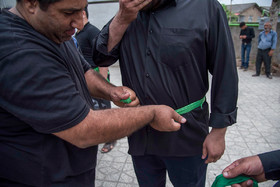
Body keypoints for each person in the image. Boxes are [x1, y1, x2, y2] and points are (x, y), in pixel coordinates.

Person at [0, 0, 186, 186]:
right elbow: (83, 129)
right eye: (68, 13)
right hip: (40, 178)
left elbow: (82, 70)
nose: (80, 24)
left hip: (68, 172)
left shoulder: (49, 30)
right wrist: (150, 114)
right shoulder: (20, 52)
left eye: (82, 11)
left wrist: (111, 91)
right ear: (31, 3)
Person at [93, 0, 238, 186]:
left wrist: (219, 132)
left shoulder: (206, 7)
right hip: (140, 133)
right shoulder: (128, 11)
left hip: (187, 134)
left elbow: (225, 70)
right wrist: (122, 19)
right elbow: (101, 57)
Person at [75, 6, 116, 153]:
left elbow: (102, 56)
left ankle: (111, 138)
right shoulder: (79, 33)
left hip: (98, 76)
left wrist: (103, 84)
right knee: (93, 109)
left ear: (83, 14)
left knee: (104, 110)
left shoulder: (91, 31)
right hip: (87, 78)